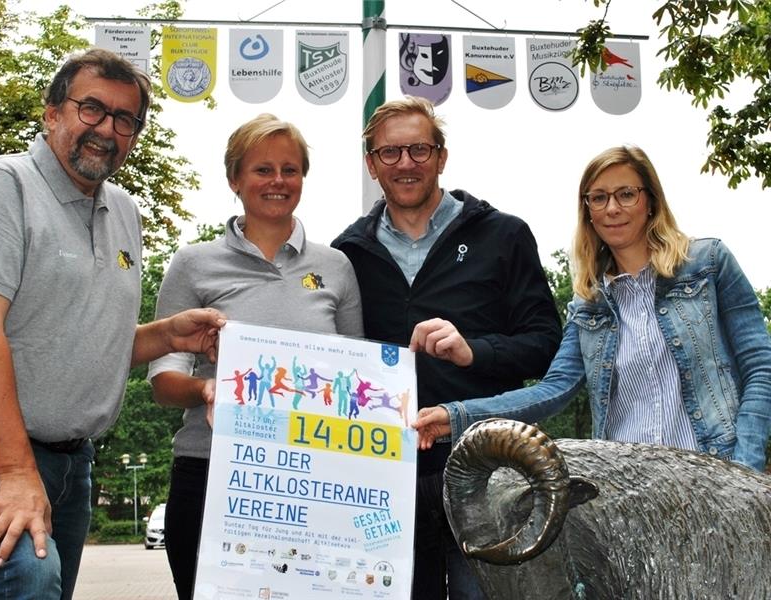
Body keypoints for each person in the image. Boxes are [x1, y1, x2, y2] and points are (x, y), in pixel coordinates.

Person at [0, 48, 226, 600]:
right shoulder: (3, 183)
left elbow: (77, 339)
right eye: (92, 109)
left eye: (124, 119)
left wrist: (167, 335)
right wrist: (16, 474)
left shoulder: (125, 211)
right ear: (52, 112)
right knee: (28, 584)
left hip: (75, 461)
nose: (106, 129)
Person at [414, 145, 771, 473]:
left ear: (651, 201)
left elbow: (760, 368)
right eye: (598, 198)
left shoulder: (708, 264)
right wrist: (456, 414)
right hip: (629, 487)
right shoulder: (589, 304)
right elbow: (550, 391)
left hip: (713, 475)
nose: (612, 208)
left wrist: (743, 469)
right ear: (588, 210)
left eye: (626, 194)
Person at [332, 96, 562, 600]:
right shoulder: (345, 255)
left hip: (484, 467)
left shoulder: (503, 234)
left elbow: (547, 345)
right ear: (371, 164)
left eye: (419, 149)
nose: (406, 164)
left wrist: (473, 351)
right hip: (382, 476)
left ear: (442, 156)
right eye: (389, 153)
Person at [147, 113, 364, 600]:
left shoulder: (337, 267)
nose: (278, 181)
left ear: (303, 179)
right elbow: (163, 381)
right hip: (211, 470)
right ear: (234, 179)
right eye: (262, 169)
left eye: (290, 169)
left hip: (314, 479)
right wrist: (205, 388)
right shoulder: (193, 263)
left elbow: (355, 379)